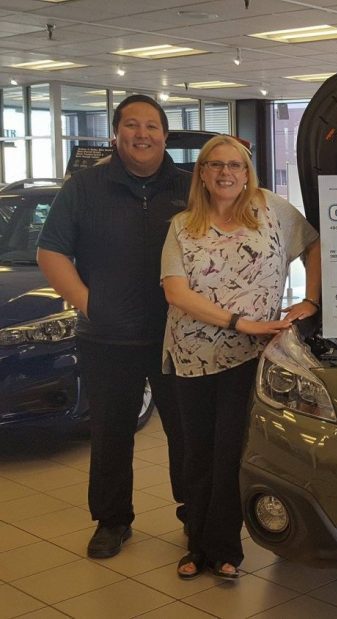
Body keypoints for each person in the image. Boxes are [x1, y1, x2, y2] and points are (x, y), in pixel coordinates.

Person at [37, 94, 190, 559]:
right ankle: (112, 520)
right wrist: (88, 303)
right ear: (115, 132)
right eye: (131, 125)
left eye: (151, 126)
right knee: (110, 432)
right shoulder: (84, 187)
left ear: (165, 135)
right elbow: (52, 251)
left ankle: (194, 512)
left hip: (177, 336)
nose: (141, 134)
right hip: (107, 336)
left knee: (186, 431)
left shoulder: (189, 187)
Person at [161, 135, 320, 580]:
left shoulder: (270, 210)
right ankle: (196, 544)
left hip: (249, 357)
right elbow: (176, 292)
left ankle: (226, 546)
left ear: (248, 173)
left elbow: (315, 245)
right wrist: (239, 321)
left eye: (235, 165)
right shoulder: (182, 225)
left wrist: (311, 300)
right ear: (203, 174)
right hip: (191, 356)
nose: (226, 173)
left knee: (230, 453)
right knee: (196, 455)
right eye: (216, 165)